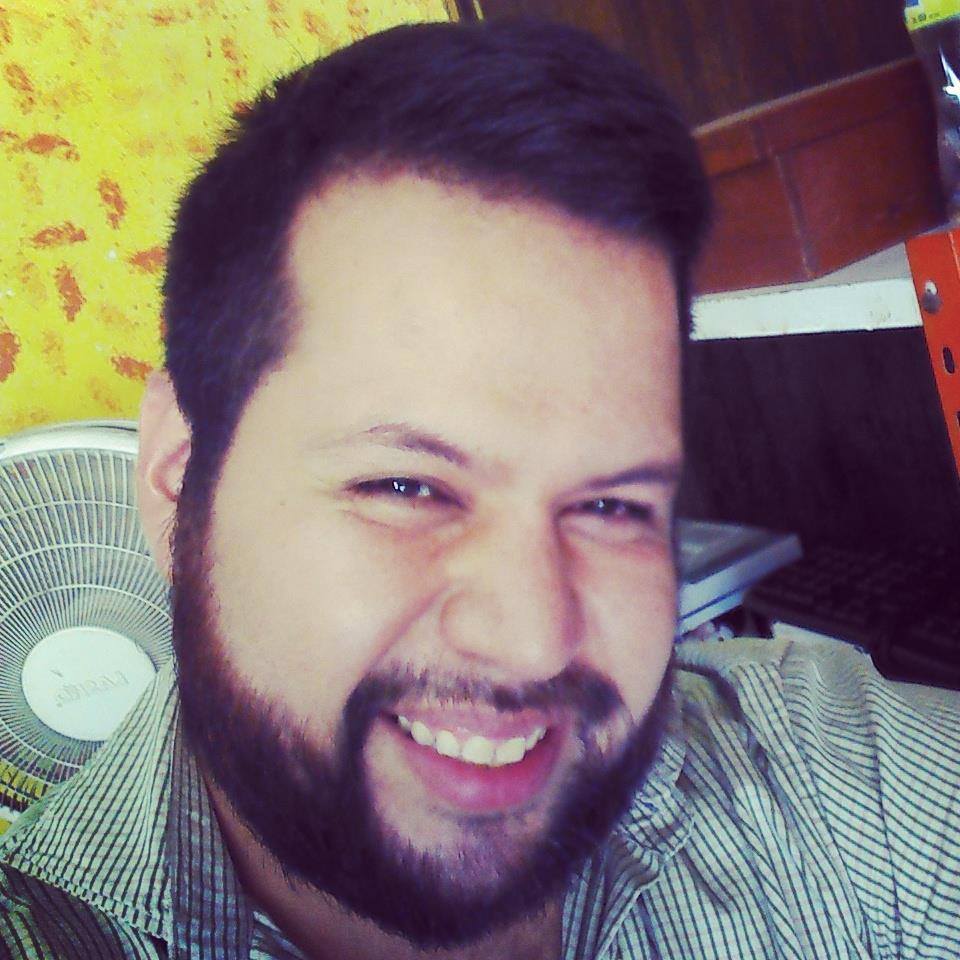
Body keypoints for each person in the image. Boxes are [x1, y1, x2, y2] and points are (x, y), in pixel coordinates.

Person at [0, 17, 957, 960]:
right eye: (407, 486)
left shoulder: (825, 781)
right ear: (179, 473)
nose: (534, 640)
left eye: (613, 505)